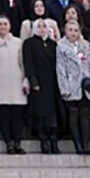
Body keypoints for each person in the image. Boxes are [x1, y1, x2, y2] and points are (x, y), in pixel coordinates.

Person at [56, 20, 90, 156]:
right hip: (71, 85)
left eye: (76, 30)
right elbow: (60, 69)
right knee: (73, 115)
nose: (73, 33)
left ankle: (86, 144)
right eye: (70, 30)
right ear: (65, 31)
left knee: (85, 116)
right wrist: (64, 88)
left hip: (85, 85)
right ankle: (78, 145)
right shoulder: (61, 47)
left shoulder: (85, 46)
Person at [0, 15, 28, 154]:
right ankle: (9, 143)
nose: (3, 26)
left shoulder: (18, 42)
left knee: (17, 114)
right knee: (3, 114)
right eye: (0, 24)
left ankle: (17, 142)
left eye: (5, 24)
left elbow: (23, 63)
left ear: (10, 26)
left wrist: (26, 80)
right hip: (0, 82)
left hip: (17, 82)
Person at [23, 17, 60, 153]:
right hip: (38, 81)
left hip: (52, 82)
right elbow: (29, 62)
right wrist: (33, 80)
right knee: (40, 112)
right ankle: (43, 139)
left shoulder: (53, 44)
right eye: (39, 26)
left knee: (52, 112)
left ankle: (54, 140)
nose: (42, 29)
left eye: (44, 26)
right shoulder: (29, 43)